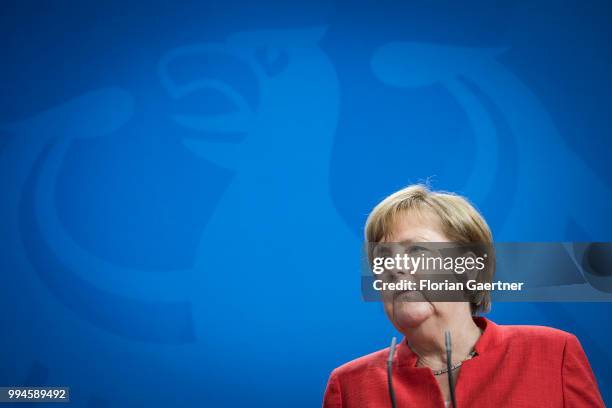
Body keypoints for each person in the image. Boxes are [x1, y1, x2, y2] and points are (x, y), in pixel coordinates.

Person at [323, 184, 604, 407]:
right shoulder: (349, 386)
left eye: (417, 251)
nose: (395, 268)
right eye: (382, 260)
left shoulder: (552, 353)